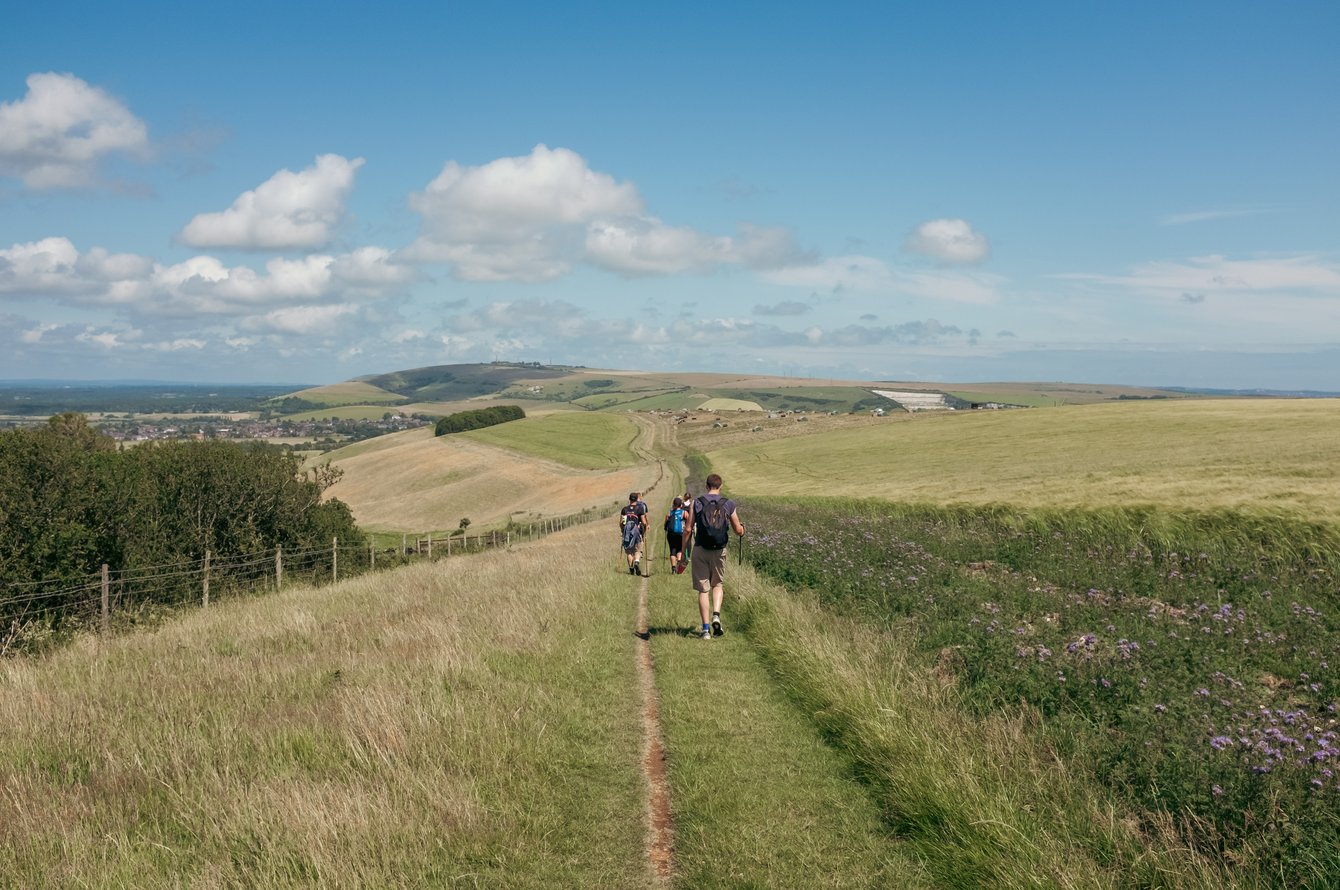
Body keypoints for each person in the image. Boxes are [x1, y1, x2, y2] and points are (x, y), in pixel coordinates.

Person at [685, 473, 745, 639]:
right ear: (720, 486)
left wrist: (684, 550)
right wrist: (743, 530)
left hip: (700, 549)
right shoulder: (728, 504)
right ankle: (716, 615)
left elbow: (689, 529)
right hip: (719, 550)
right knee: (717, 584)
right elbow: (738, 530)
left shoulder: (697, 503)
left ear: (706, 486)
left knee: (703, 590)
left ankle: (705, 630)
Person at [619, 491, 649, 575]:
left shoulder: (625, 509)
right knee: (638, 549)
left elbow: (621, 522)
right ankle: (636, 561)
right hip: (637, 532)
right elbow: (643, 521)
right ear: (637, 499)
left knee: (629, 552)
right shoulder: (639, 509)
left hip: (627, 533)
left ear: (629, 499)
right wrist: (644, 529)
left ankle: (631, 568)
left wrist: (623, 530)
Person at [663, 496, 691, 575]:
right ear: (681, 505)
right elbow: (689, 522)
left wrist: (666, 529)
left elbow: (665, 525)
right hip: (680, 534)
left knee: (672, 551)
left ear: (673, 504)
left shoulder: (669, 512)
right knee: (679, 549)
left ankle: (673, 568)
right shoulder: (684, 512)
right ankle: (678, 565)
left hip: (671, 534)